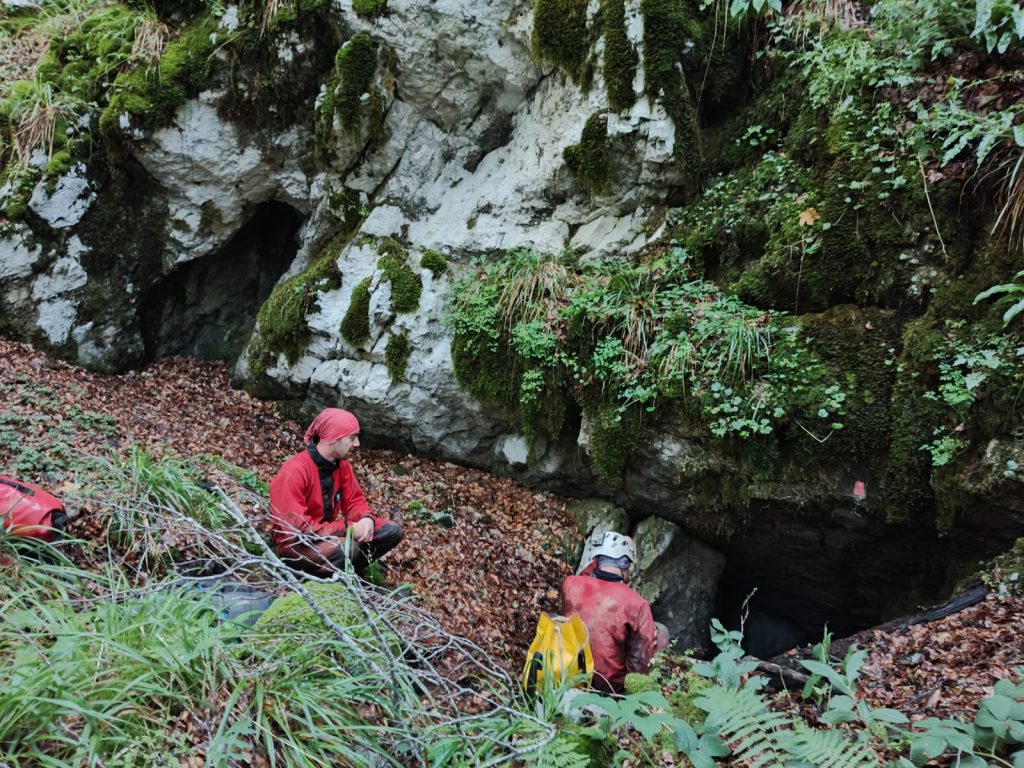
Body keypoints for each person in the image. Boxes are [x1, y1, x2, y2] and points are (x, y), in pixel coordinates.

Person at [269, 407, 403, 577]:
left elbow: (354, 501)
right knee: (348, 548)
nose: (357, 443)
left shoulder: (342, 466)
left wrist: (366, 519)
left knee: (391, 531)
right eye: (352, 438)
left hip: (327, 536)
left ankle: (345, 569)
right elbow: (298, 530)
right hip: (297, 545)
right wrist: (348, 528)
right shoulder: (294, 471)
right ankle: (310, 578)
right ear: (333, 439)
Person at [559, 531, 669, 694]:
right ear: (625, 565)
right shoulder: (638, 604)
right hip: (607, 687)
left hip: (567, 674)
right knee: (661, 632)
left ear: (597, 559)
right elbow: (638, 663)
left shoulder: (570, 585)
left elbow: (586, 576)